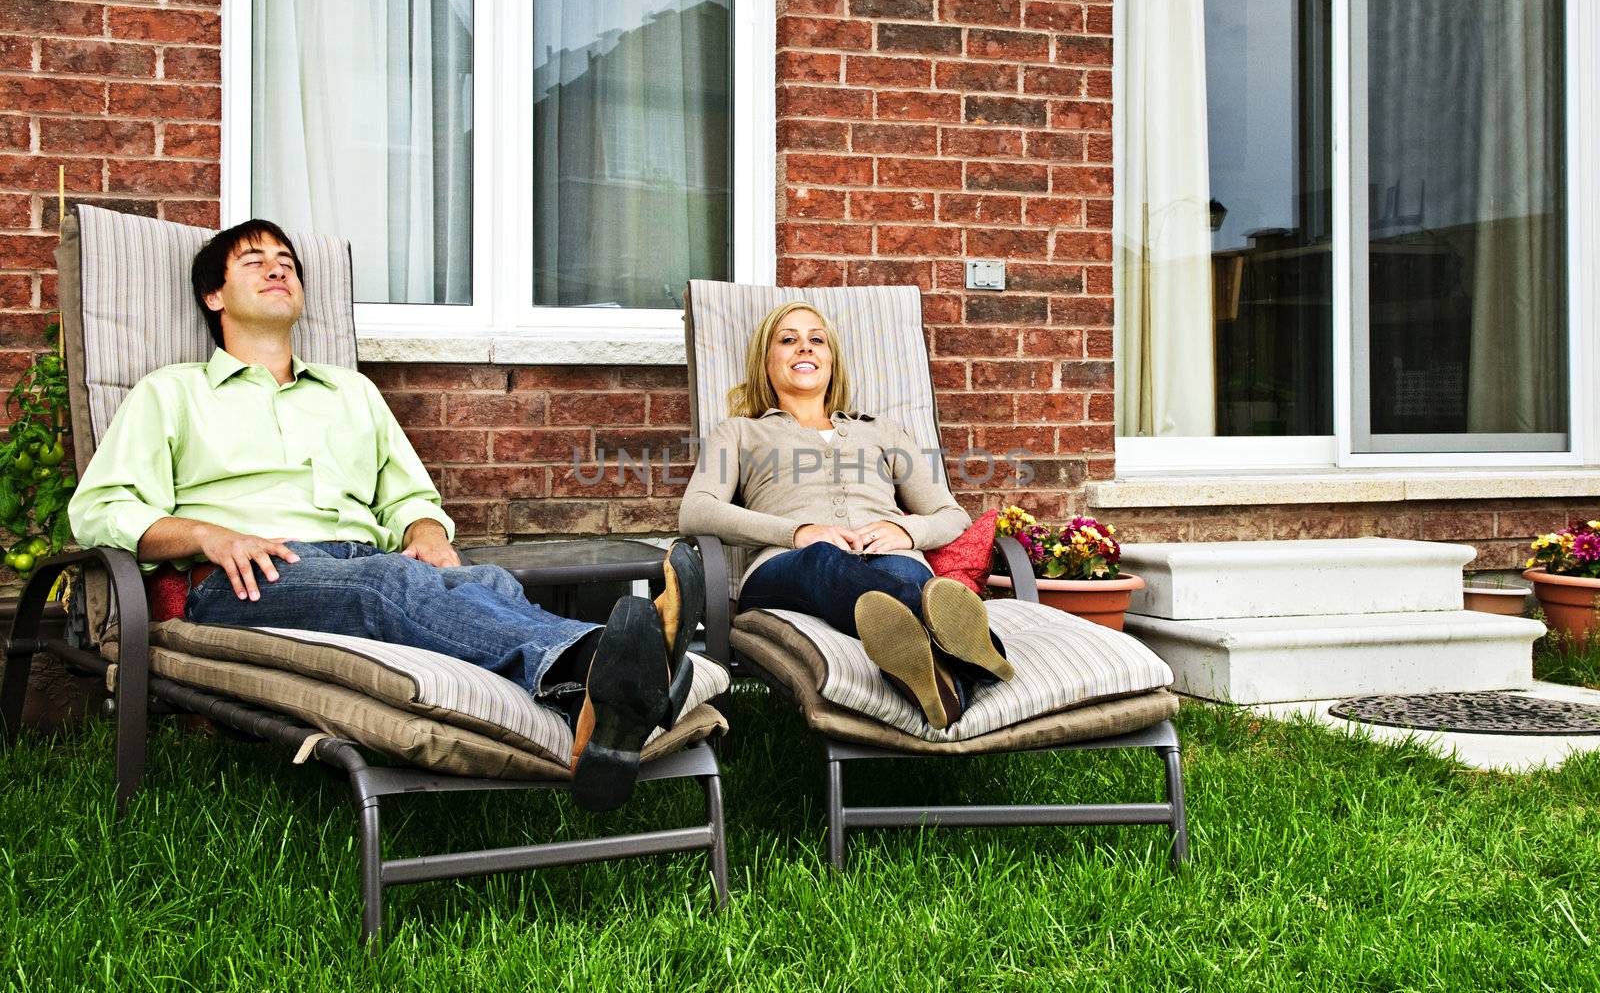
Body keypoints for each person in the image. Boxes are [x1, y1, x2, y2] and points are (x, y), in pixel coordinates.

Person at [67, 219, 702, 812]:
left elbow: (410, 500)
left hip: (364, 558)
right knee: (385, 587)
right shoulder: (171, 393)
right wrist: (208, 534)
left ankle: (589, 721)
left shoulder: (353, 393)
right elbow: (100, 508)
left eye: (287, 263)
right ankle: (599, 662)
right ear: (213, 297)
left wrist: (425, 531)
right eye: (254, 261)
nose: (277, 271)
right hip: (247, 576)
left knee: (487, 583)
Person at [679, 301, 1012, 729]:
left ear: (832, 361)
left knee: (911, 577)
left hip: (889, 560)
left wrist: (905, 530)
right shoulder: (740, 432)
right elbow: (696, 510)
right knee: (825, 560)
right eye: (788, 340)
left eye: (817, 340)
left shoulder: (882, 431)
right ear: (765, 361)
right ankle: (983, 650)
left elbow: (950, 515)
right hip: (785, 569)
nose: (805, 348)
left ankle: (942, 689)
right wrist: (796, 532)